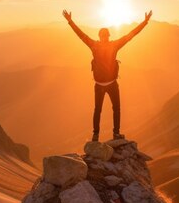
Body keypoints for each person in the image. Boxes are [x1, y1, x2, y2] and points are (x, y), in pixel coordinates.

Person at [63, 9, 152, 142]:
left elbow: (80, 35)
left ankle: (95, 135)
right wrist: (145, 22)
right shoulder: (114, 45)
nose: (105, 38)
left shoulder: (93, 45)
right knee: (116, 108)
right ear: (108, 36)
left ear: (100, 36)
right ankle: (115, 134)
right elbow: (131, 35)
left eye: (104, 36)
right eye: (105, 36)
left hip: (99, 85)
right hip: (111, 84)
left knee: (97, 110)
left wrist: (70, 21)